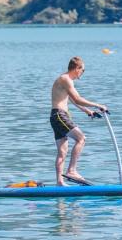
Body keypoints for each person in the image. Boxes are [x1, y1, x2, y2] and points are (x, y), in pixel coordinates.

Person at [50, 56, 107, 186]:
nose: (82, 74)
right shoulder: (66, 79)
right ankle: (72, 170)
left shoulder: (65, 80)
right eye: (83, 70)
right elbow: (77, 98)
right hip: (60, 115)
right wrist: (97, 105)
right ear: (77, 68)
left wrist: (88, 111)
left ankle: (60, 183)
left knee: (62, 152)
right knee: (81, 139)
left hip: (55, 116)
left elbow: (70, 100)